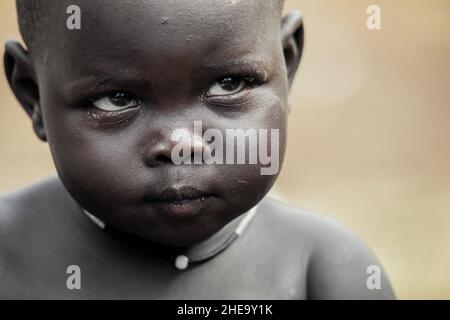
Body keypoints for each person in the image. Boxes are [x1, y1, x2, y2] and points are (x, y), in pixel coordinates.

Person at [0, 0, 395, 299]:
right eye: (116, 99)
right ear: (32, 94)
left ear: (287, 66)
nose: (180, 144)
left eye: (228, 84)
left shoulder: (322, 272)